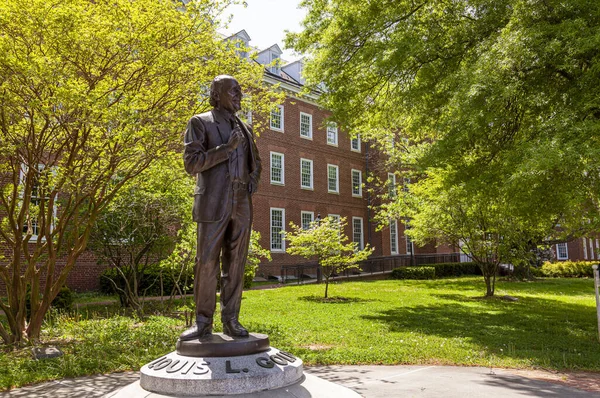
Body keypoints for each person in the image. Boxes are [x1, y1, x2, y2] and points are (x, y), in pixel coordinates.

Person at [180, 75, 261, 340]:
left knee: (236, 263)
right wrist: (227, 149)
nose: (239, 95)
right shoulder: (200, 122)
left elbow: (256, 162)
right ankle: (203, 322)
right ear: (217, 94)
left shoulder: (245, 128)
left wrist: (252, 181)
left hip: (241, 201)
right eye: (234, 91)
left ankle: (232, 320)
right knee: (206, 263)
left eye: (240, 92)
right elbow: (192, 163)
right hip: (214, 201)